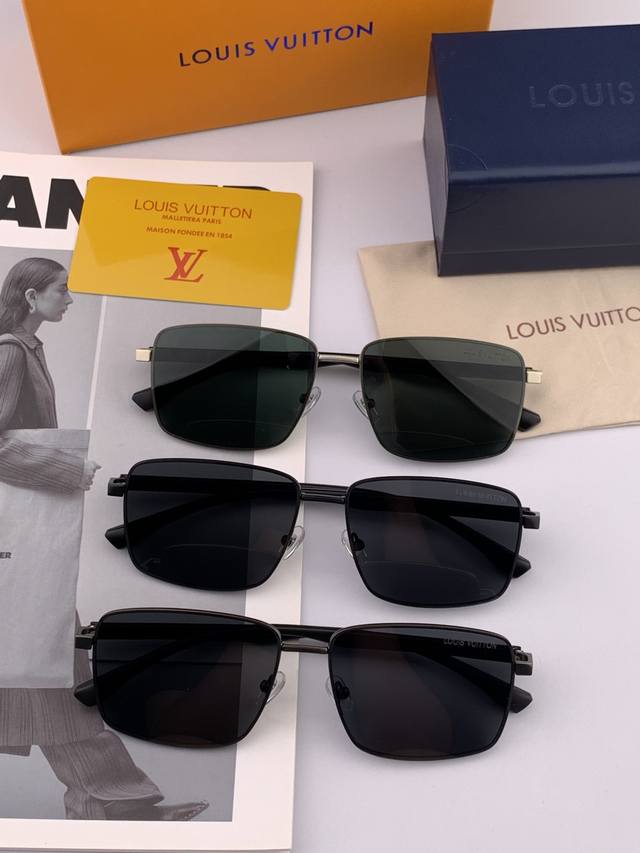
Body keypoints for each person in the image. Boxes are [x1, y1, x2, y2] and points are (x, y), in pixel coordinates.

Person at [0, 258, 208, 821]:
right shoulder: (10, 352)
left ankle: (109, 800)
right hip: (14, 549)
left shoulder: (26, 349)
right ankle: (111, 801)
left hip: (16, 550)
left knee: (48, 670)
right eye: (62, 290)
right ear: (30, 295)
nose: (70, 299)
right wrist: (65, 468)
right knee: (52, 665)